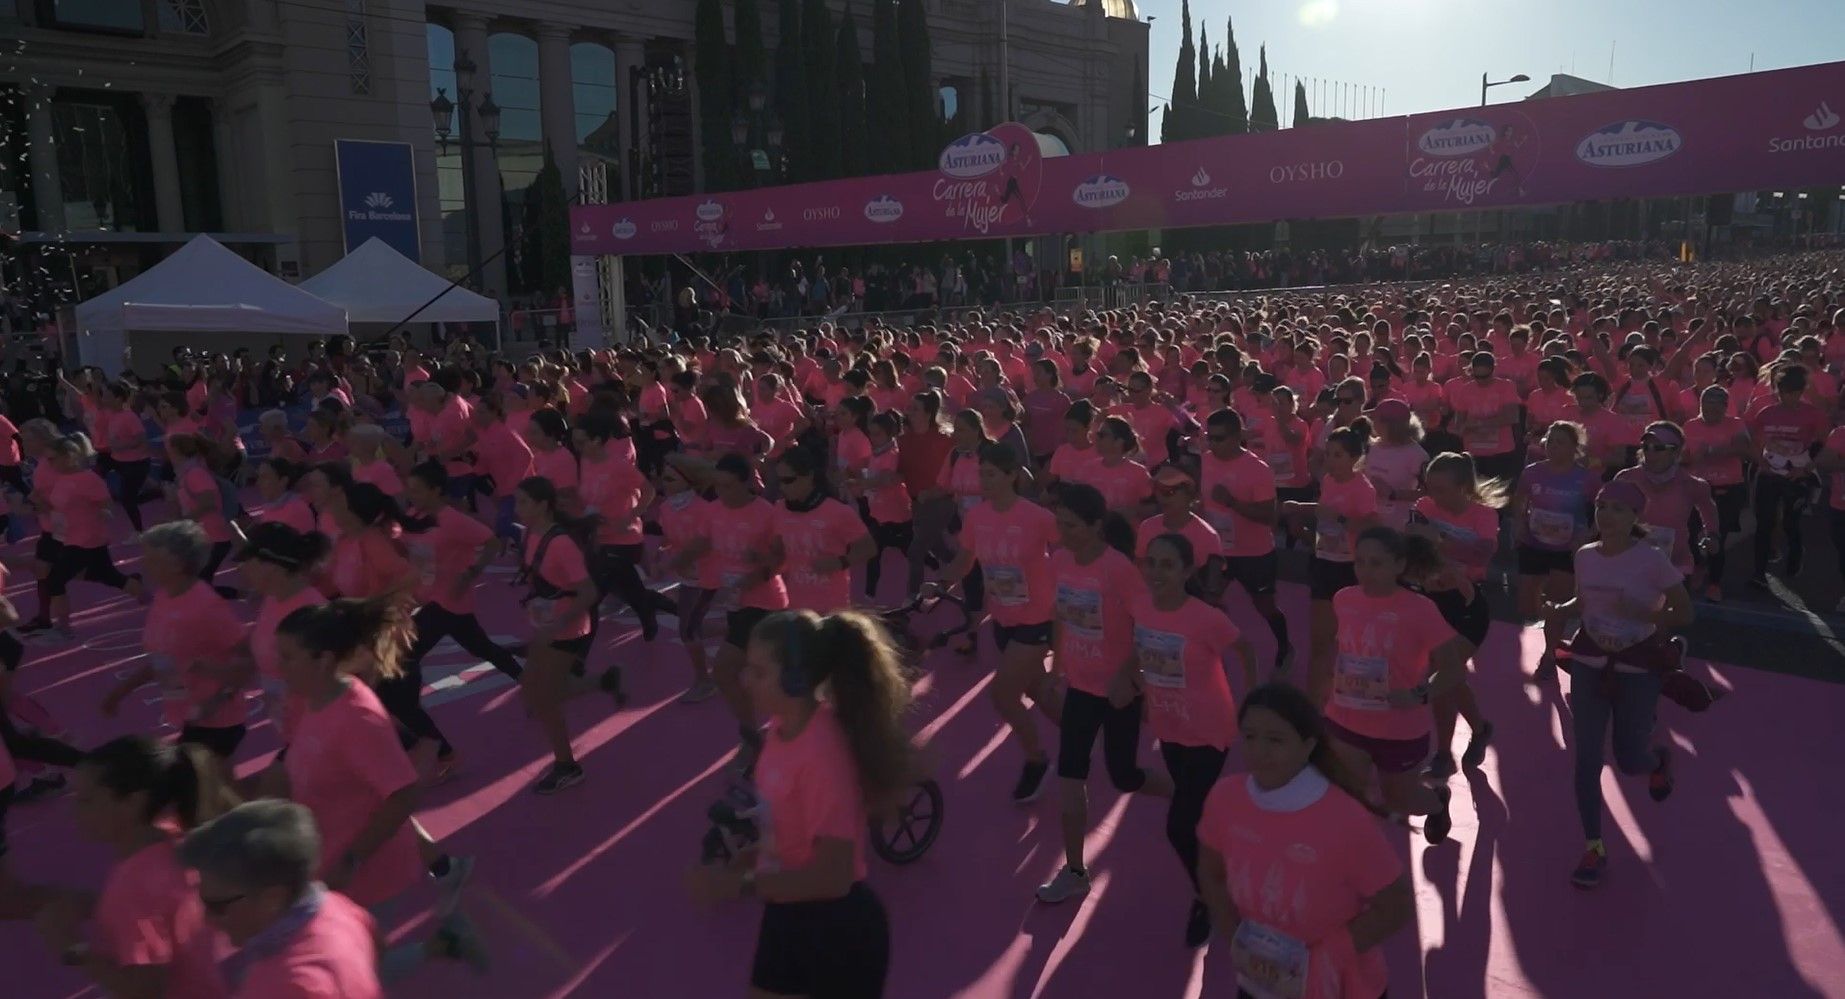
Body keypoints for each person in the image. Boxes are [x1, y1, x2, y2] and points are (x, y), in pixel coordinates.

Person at [687, 610, 913, 999]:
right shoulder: (780, 729)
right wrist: (752, 857)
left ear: (796, 679)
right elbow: (790, 825)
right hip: (788, 909)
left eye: (759, 672)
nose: (744, 680)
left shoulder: (823, 755)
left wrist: (739, 885)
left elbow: (834, 877)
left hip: (837, 931)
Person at [269, 597, 483, 972]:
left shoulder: (357, 717)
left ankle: (445, 945)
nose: (277, 666)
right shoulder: (310, 701)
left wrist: (352, 859)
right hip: (322, 866)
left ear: (323, 660)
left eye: (287, 657)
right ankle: (445, 944)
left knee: (352, 972)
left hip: (365, 876)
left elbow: (404, 794)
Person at [1197, 683, 1413, 999]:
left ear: (1308, 746)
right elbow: (1210, 871)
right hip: (1260, 982)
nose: (1258, 751)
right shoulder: (1224, 798)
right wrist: (1235, 937)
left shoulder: (1345, 819)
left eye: (1275, 740)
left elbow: (1397, 905)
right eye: (1250, 736)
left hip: (1342, 989)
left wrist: (1321, 959)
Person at [1543, 480, 1692, 889]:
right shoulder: (1585, 555)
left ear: (1635, 517)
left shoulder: (1652, 560)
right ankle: (1594, 847)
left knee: (1629, 759)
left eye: (1618, 509)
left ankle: (1657, 762)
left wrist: (1643, 614)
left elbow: (1684, 612)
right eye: (1602, 506)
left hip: (1636, 665)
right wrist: (1560, 609)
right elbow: (1583, 601)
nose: (1607, 515)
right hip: (1589, 661)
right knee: (1587, 759)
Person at [1035, 484, 1173, 905]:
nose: (1063, 534)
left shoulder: (1119, 570)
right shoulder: (1059, 561)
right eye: (1060, 525)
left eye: (1072, 526)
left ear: (1096, 526)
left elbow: (1149, 628)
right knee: (1070, 776)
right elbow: (1061, 617)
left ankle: (1189, 795)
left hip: (1119, 692)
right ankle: (1076, 870)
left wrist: (1128, 676)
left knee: (1124, 775)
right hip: (1080, 688)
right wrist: (1056, 668)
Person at [1125, 532, 1257, 947]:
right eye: (1151, 563)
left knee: (1179, 825)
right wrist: (1135, 683)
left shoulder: (1205, 618)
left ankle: (1207, 896)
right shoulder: (1141, 606)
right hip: (1169, 727)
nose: (1156, 572)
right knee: (1194, 809)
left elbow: (1245, 650)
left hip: (1209, 731)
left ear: (1187, 572)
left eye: (1167, 565)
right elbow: (1140, 650)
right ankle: (1223, 857)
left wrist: (1252, 700)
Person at [33, 736, 234, 996]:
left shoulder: (135, 885)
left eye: (86, 800)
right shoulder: (173, 836)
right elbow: (163, 912)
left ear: (133, 802)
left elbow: (144, 991)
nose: (73, 811)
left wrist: (71, 946)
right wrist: (98, 905)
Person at [928, 442, 1061, 804]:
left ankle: (1037, 760)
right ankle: (1082, 735)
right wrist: (938, 583)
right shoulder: (976, 517)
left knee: (1002, 695)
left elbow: (1071, 550)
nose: (983, 481)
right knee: (1037, 689)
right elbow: (965, 561)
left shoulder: (1037, 517)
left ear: (1012, 475)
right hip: (1003, 618)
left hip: (1038, 618)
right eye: (980, 474)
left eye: (990, 474)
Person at [1322, 527, 1469, 844]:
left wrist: (1418, 695)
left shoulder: (1421, 610)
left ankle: (1437, 801)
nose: (1366, 571)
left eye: (1376, 563)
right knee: (1349, 794)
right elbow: (1345, 649)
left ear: (1399, 565)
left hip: (1399, 727)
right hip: (1346, 717)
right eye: (1360, 562)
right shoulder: (1344, 599)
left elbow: (1453, 670)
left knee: (1397, 801)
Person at [176, 799, 385, 998]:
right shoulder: (338, 908)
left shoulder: (292, 986)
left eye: (217, 906)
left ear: (272, 898)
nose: (208, 919)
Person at [399, 461, 525, 780]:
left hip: (448, 601)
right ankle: (528, 679)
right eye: (409, 489)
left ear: (436, 491)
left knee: (405, 655)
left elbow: (492, 542)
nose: (411, 495)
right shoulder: (415, 516)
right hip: (430, 599)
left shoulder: (453, 520)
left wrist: (470, 573)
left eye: (417, 490)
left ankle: (424, 735)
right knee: (481, 647)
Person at [103, 521, 253, 764]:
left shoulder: (206, 606)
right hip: (188, 713)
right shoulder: (164, 596)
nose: (143, 564)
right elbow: (162, 657)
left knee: (199, 783)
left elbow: (247, 661)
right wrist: (120, 692)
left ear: (176, 564)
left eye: (152, 559)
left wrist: (216, 699)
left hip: (217, 721)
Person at [1408, 453, 1504, 777]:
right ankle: (1479, 729)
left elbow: (1481, 555)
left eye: (1442, 489)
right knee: (1449, 675)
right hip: (1430, 600)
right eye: (1430, 487)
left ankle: (1443, 754)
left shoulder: (1484, 515)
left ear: (1463, 487)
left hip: (1467, 603)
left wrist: (1440, 541)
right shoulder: (1424, 506)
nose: (1434, 495)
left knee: (1443, 673)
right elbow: (1412, 546)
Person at [512, 476, 602, 794]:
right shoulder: (530, 534)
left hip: (567, 629)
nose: (517, 508)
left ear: (543, 505)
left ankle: (567, 766)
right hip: (547, 626)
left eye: (523, 502)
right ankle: (601, 683)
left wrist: (558, 622)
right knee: (531, 687)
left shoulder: (561, 543)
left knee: (544, 698)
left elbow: (589, 592)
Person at [1283, 420, 1380, 703]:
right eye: (1328, 453)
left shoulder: (1363, 488)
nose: (1331, 460)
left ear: (1354, 457)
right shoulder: (1327, 481)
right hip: (1323, 562)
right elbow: (1324, 511)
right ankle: (1313, 703)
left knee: (1350, 641)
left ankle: (1349, 695)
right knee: (1320, 641)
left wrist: (1340, 520)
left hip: (1349, 569)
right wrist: (1301, 509)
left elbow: (1371, 525)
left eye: (1338, 455)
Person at [1197, 407, 1292, 673]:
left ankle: (1285, 646)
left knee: (1265, 606)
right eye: (1209, 437)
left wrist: (1232, 502)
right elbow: (1204, 500)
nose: (1213, 444)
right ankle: (1205, 653)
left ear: (1237, 436)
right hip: (1218, 551)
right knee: (1206, 600)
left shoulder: (1257, 469)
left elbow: (1269, 516)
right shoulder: (1206, 460)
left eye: (1219, 438)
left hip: (1254, 553)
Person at [31, 433, 145, 639]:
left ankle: (63, 629)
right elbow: (58, 508)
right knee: (109, 576)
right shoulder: (62, 479)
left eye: (52, 458)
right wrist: (37, 503)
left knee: (54, 580)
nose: (49, 463)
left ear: (68, 457)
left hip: (87, 540)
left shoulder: (88, 479)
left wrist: (104, 513)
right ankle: (144, 593)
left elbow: (105, 504)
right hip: (71, 538)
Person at [1512, 421, 1600, 680]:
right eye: (1550, 441)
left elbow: (1603, 506)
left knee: (1556, 603)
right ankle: (1558, 628)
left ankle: (1550, 654)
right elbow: (1520, 500)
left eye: (1560, 442)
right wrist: (1519, 525)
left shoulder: (1587, 478)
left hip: (1567, 548)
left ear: (1575, 448)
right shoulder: (1532, 472)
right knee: (1526, 604)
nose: (1553, 446)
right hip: (1533, 542)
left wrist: (1590, 534)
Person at [1747, 365, 1828, 588]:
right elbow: (1755, 441)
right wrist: (1760, 460)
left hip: (1796, 473)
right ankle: (1759, 573)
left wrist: (1806, 468)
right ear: (1778, 391)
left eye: (1794, 393)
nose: (1789, 398)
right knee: (1764, 522)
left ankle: (1795, 552)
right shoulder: (1766, 413)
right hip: (1769, 473)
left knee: (1790, 522)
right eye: (1784, 393)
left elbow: (1824, 444)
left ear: (1801, 392)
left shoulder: (1813, 414)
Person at [774, 445, 875, 614]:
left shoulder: (837, 511)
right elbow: (778, 554)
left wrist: (841, 562)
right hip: (795, 607)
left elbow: (868, 547)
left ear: (808, 477)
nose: (782, 486)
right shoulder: (779, 509)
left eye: (788, 480)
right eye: (780, 481)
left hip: (830, 609)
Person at [853, 411, 913, 603]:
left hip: (896, 513)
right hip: (879, 512)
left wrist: (862, 484)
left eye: (877, 434)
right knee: (875, 550)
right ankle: (869, 593)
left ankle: (935, 569)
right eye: (871, 433)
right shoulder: (877, 453)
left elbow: (885, 479)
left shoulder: (892, 454)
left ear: (889, 433)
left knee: (909, 549)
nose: (872, 437)